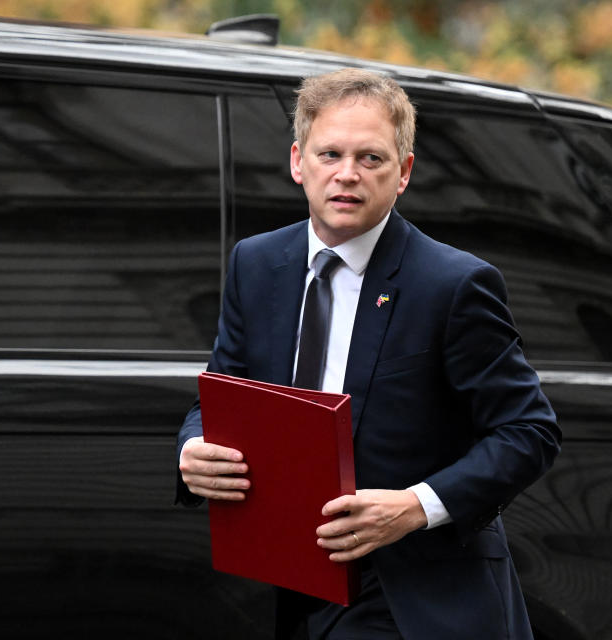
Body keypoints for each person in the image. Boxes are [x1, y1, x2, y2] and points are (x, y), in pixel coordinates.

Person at [176, 68, 561, 640]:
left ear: (403, 172)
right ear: (297, 162)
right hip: (292, 580)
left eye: (371, 158)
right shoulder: (256, 264)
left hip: (413, 594)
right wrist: (193, 445)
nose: (347, 174)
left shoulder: (454, 284)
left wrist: (412, 506)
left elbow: (529, 431)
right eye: (329, 153)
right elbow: (224, 388)